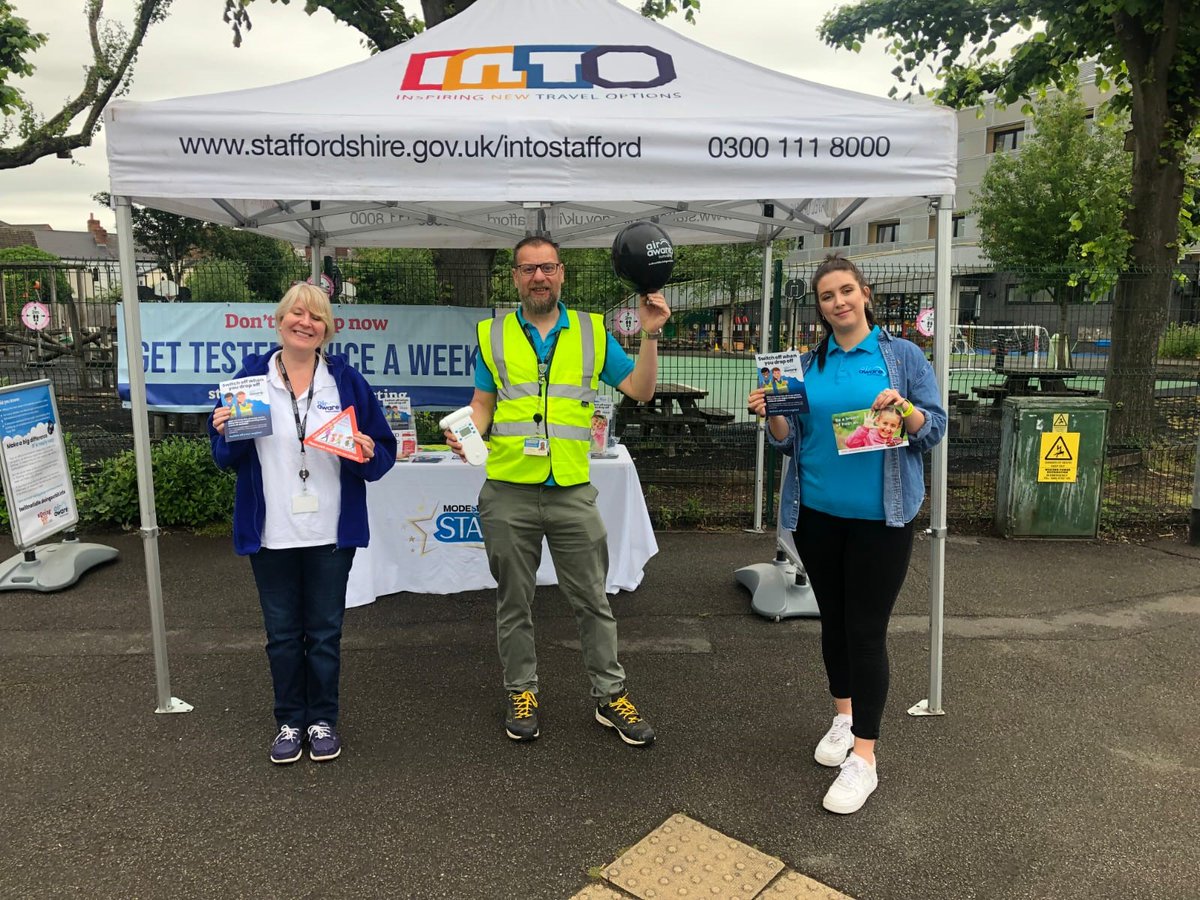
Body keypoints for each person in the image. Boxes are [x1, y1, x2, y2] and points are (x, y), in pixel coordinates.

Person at [444, 236, 670, 747]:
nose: (538, 277)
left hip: (570, 489)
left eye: (546, 267)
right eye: (527, 269)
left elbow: (639, 388)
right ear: (516, 277)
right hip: (507, 490)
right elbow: (483, 402)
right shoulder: (493, 333)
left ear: (561, 273)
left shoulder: (591, 330)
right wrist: (469, 430)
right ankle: (521, 691)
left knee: (592, 599)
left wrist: (651, 337)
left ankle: (610, 696)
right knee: (513, 602)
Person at [746, 255, 946, 814]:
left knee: (865, 630)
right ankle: (843, 716)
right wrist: (772, 413)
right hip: (817, 516)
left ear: (865, 294)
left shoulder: (901, 357)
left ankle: (865, 757)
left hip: (883, 520)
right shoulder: (806, 364)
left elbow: (933, 428)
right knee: (833, 622)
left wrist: (901, 406)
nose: (838, 302)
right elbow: (790, 441)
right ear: (821, 306)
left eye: (846, 291)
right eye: (827, 295)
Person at [208, 283, 397, 765]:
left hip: (331, 533)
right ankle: (290, 721)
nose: (305, 322)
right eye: (297, 313)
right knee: (283, 636)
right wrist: (223, 431)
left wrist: (368, 451)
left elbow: (381, 454)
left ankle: (323, 720)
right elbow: (225, 459)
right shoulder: (252, 379)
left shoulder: (346, 382)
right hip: (271, 531)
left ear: (327, 328)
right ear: (280, 320)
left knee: (325, 633)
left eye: (316, 316)